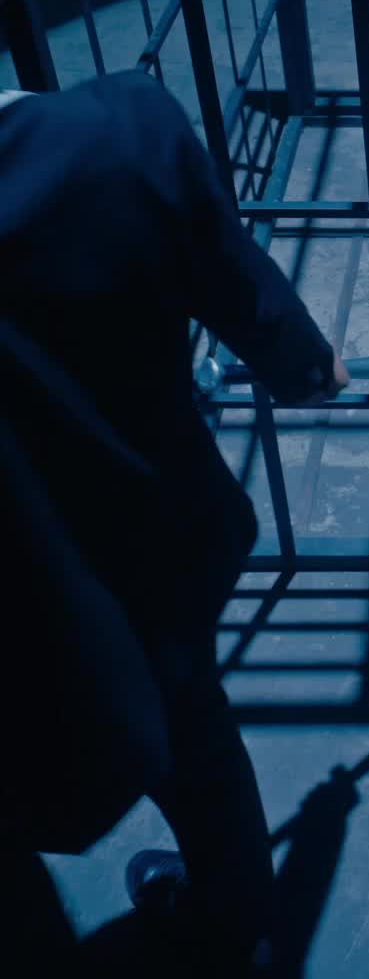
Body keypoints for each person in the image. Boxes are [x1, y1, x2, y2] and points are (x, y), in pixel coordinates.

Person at [0, 71, 348, 970]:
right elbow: (269, 327)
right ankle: (234, 921)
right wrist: (309, 370)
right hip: (140, 554)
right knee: (192, 734)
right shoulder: (119, 136)